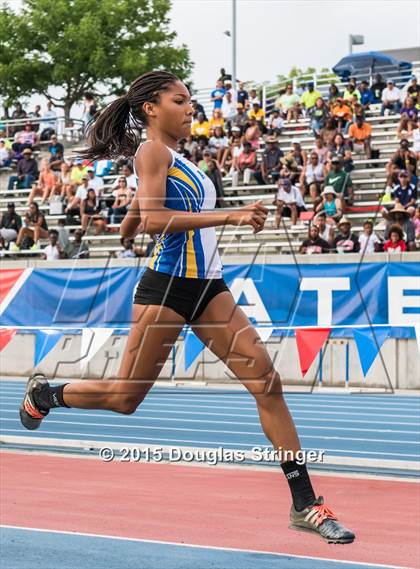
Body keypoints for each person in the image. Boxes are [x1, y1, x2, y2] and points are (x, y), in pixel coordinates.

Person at [18, 70, 355, 544]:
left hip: (208, 288)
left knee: (268, 383)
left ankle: (306, 505)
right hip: (167, 289)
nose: (191, 107)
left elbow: (132, 228)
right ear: (152, 108)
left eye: (191, 100)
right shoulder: (151, 151)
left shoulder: (177, 159)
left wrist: (138, 208)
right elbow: (156, 220)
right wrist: (229, 215)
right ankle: (46, 395)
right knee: (125, 398)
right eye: (180, 100)